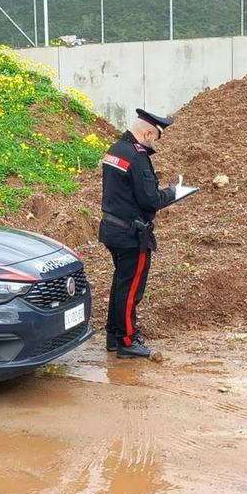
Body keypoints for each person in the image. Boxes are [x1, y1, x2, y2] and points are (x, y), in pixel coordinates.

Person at [99, 108, 178, 358]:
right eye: (155, 139)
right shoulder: (137, 157)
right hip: (131, 235)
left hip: (112, 228)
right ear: (147, 134)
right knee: (131, 289)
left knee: (120, 284)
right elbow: (150, 200)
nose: (155, 144)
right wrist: (173, 193)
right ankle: (127, 341)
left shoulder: (116, 149)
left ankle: (114, 336)